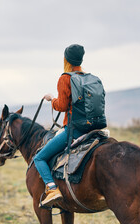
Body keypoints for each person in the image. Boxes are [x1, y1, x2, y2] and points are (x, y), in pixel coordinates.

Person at [34, 44, 105, 208]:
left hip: (75, 130)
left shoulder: (65, 78)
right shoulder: (91, 78)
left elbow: (62, 106)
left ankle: (52, 189)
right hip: (95, 128)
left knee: (39, 158)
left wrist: (52, 99)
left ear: (66, 59)